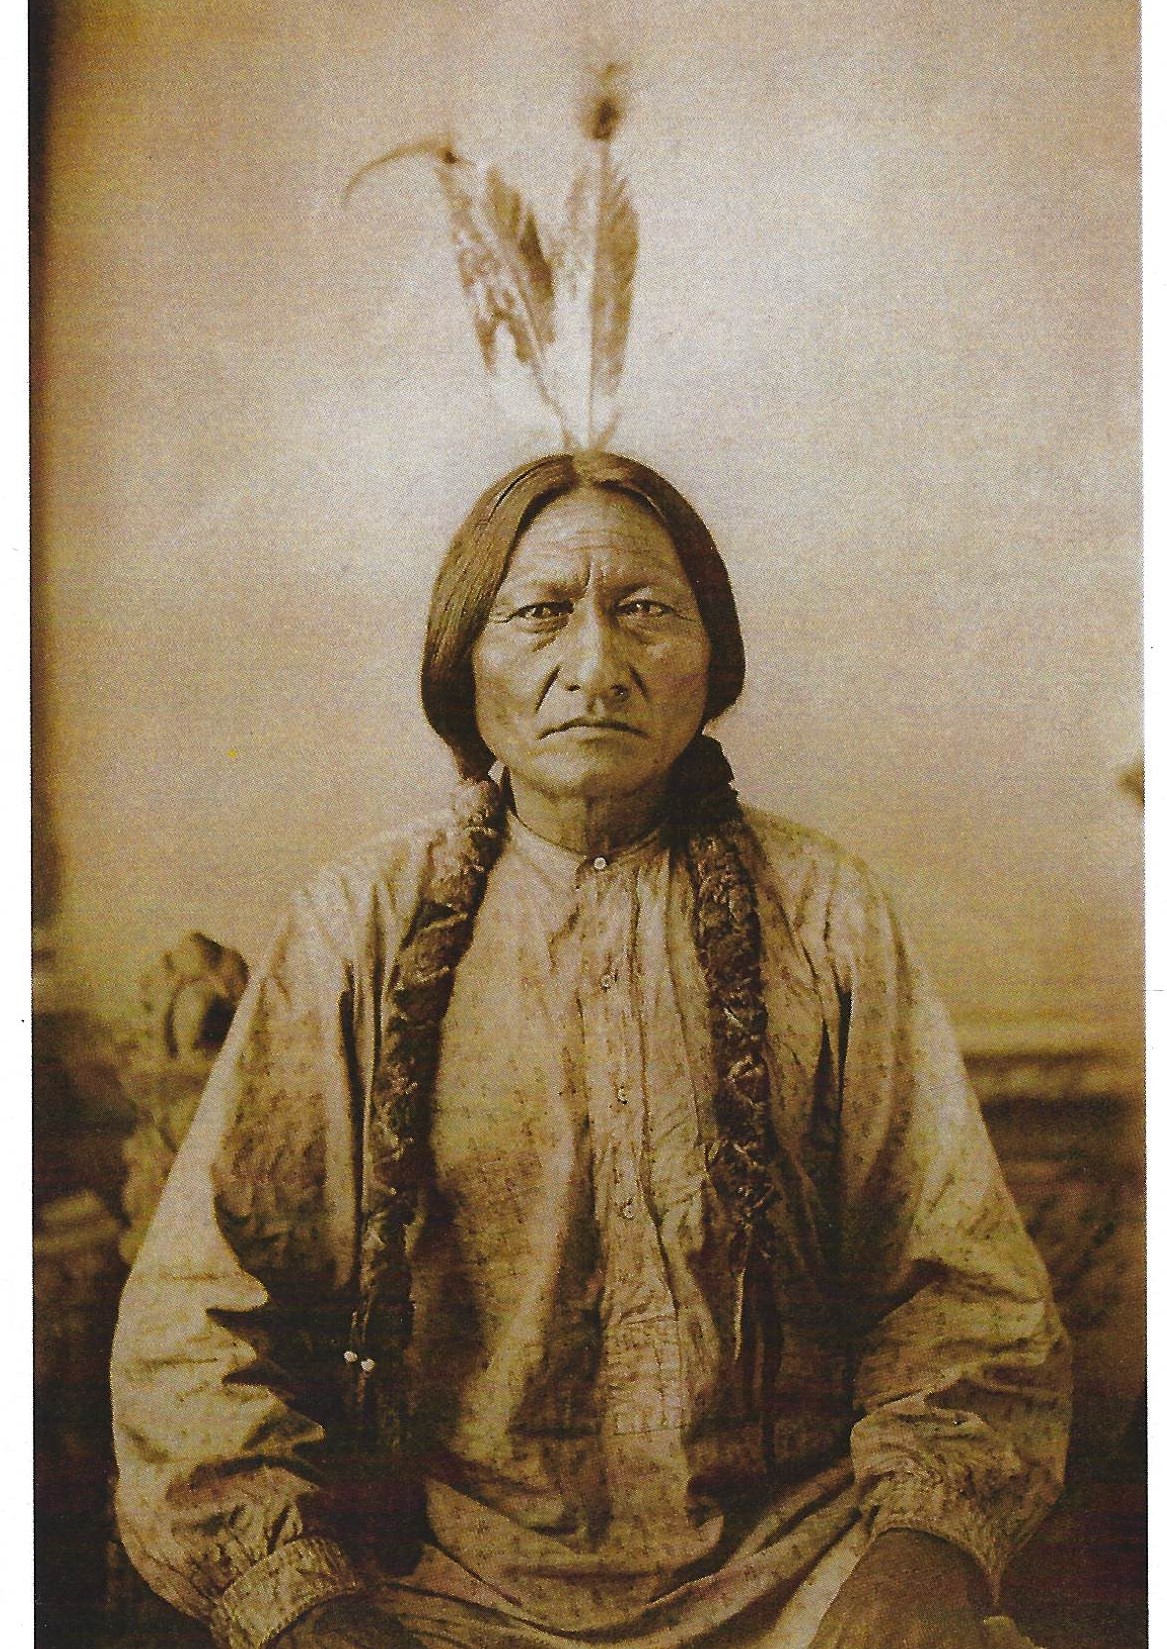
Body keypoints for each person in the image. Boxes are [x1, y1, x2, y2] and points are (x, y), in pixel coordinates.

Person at [111, 451, 1070, 1649]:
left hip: (800, 1574)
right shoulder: (356, 926)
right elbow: (197, 1325)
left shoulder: (826, 914)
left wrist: (921, 1547)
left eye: (647, 611)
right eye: (540, 613)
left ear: (710, 658)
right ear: (465, 661)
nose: (596, 665)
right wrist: (301, 1603)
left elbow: (964, 1295)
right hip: (433, 1587)